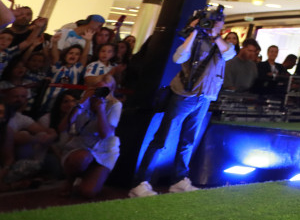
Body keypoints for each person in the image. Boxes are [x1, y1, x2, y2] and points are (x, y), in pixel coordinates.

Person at [129, 14, 234, 197]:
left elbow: (229, 54)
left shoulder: (222, 44)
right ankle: (140, 182)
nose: (213, 27)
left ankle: (179, 180)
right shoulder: (194, 39)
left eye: (218, 24)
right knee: (162, 139)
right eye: (211, 23)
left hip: (205, 98)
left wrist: (216, 36)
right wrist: (194, 32)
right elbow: (178, 58)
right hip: (184, 95)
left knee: (188, 141)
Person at [60, 75, 122, 198]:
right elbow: (62, 128)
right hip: (81, 147)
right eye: (96, 89)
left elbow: (105, 134)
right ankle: (70, 180)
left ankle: (88, 176)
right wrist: (81, 103)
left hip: (103, 150)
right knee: (81, 158)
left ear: (111, 90)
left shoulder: (115, 105)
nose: (99, 93)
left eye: (104, 90)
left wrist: (101, 110)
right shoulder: (82, 103)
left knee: (87, 192)